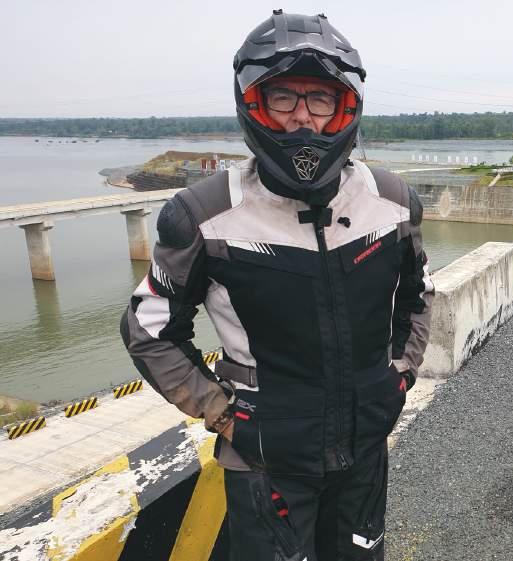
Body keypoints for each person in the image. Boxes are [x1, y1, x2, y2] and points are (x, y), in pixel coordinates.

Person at [120, 10, 433, 560]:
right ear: (254, 104)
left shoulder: (393, 202)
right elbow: (149, 330)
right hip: (265, 461)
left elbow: (417, 295)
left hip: (364, 449)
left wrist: (399, 375)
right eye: (283, 97)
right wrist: (223, 415)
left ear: (345, 107)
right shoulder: (202, 215)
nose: (302, 117)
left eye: (321, 99)